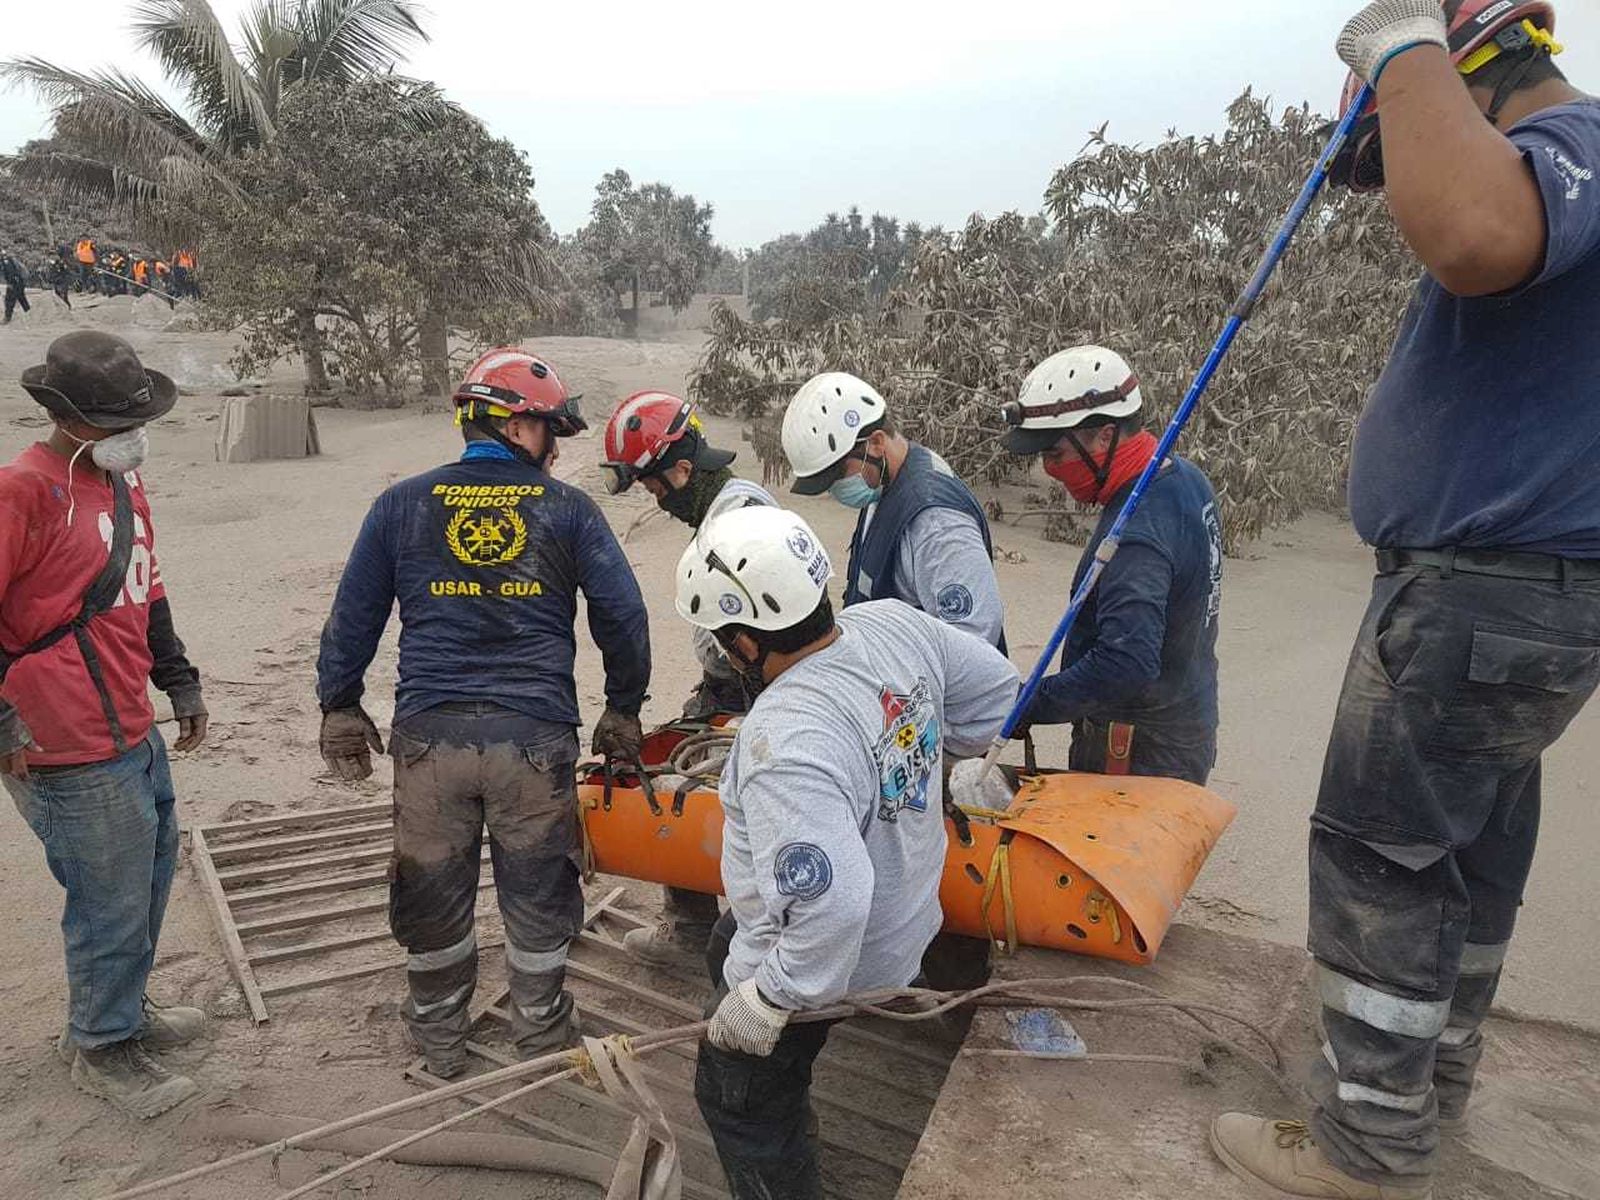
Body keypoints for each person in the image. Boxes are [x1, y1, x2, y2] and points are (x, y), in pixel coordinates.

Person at [1211, 4, 1600, 1199]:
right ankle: (1427, 1089)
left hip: (1481, 592)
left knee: (1380, 856)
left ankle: (1365, 1149)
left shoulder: (1569, 150)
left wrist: (1395, 49)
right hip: (1521, 597)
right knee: (1469, 851)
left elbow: (1473, 231)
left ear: (1478, 68)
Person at [315, 348, 651, 1079]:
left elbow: (354, 617)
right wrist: (623, 708)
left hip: (430, 739)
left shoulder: (401, 504)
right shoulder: (567, 510)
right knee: (538, 891)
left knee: (432, 889)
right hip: (532, 741)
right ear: (517, 425)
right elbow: (622, 616)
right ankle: (538, 1030)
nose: (556, 447)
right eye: (550, 430)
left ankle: (439, 1037)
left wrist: (340, 703)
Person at [674, 504, 1018, 1200]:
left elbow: (834, 906)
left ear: (745, 642)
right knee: (726, 942)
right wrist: (911, 760)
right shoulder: (892, 623)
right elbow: (994, 696)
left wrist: (771, 998)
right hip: (908, 918)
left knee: (738, 1095)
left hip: (844, 960)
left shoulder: (782, 741)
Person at [1, 331, 209, 1119]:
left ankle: (123, 1015)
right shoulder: (23, 490)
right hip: (63, 741)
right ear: (70, 419)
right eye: (119, 422)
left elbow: (145, 588)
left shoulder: (119, 482)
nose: (137, 434)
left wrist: (178, 679)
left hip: (130, 724)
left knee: (147, 878)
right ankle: (101, 1047)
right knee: (106, 900)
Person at [599, 390, 774, 962]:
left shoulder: (741, 521)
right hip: (730, 682)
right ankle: (690, 924)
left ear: (680, 469)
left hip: (762, 682)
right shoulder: (719, 512)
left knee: (708, 792)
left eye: (655, 488)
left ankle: (758, 938)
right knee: (682, 761)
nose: (657, 500)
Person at [999, 345, 1222, 784]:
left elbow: (1125, 666)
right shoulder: (1182, 478)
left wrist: (1031, 702)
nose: (1049, 471)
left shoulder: (1137, 535)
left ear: (1104, 435)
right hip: (1184, 725)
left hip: (1135, 753)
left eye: (1055, 454)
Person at [780, 372, 1007, 648]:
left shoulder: (935, 523)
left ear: (875, 442)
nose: (835, 487)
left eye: (837, 473)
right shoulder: (883, 482)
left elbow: (972, 644)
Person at [2, 249, 29, 323]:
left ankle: (7, 318)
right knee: (21, 297)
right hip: (19, 281)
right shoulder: (7, 258)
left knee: (9, 299)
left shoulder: (5, 260)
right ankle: (29, 314)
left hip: (15, 282)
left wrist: (10, 283)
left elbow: (10, 272)